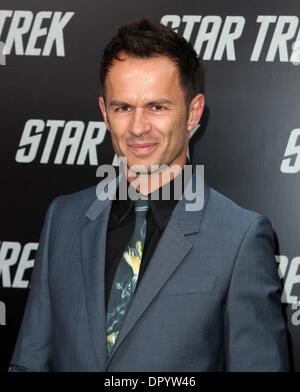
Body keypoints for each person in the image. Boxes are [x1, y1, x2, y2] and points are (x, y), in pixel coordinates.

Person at [9, 18, 289, 372]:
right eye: (123, 107)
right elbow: (29, 363)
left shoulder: (239, 238)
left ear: (193, 112)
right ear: (104, 113)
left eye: (157, 107)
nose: (138, 127)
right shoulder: (63, 219)